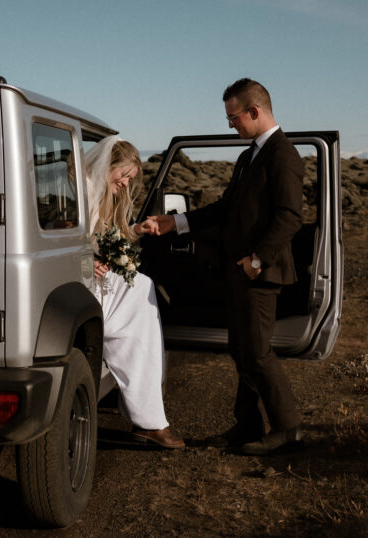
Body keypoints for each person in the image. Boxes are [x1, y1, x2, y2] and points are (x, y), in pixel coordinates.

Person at [152, 78, 304, 455]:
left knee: (256, 352)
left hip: (259, 272)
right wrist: (177, 223)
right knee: (240, 349)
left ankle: (288, 428)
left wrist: (257, 259)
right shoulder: (248, 156)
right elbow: (225, 209)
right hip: (239, 271)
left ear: (254, 111)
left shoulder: (283, 155)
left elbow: (290, 217)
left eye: (233, 117)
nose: (231, 124)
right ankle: (247, 424)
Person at [84, 136, 185, 450]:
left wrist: (136, 230)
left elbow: (106, 236)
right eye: (123, 175)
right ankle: (148, 417)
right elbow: (68, 236)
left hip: (93, 273)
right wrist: (87, 262)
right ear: (108, 165)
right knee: (141, 295)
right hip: (79, 278)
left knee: (142, 287)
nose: (126, 183)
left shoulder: (102, 191)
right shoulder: (84, 190)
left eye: (130, 177)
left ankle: (149, 411)